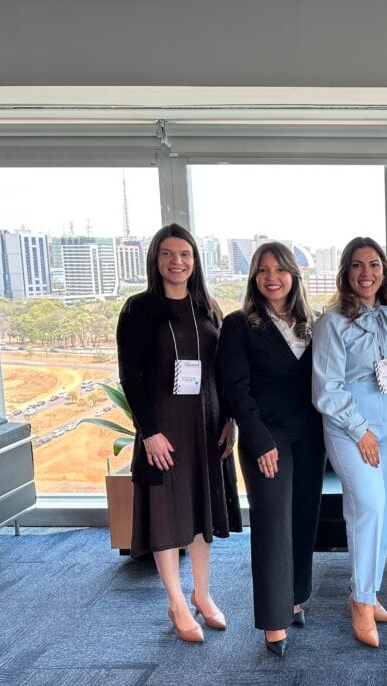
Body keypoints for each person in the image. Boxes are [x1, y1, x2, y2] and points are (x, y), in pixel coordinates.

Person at [116, 222, 241, 643]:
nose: (177, 262)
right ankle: (176, 602)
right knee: (167, 514)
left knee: (201, 513)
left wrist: (230, 419)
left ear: (195, 260)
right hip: (163, 428)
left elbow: (222, 371)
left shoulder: (208, 306)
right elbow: (130, 377)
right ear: (155, 259)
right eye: (168, 254)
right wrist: (148, 432)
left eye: (185, 254)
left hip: (207, 424)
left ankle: (201, 593)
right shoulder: (138, 310)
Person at [217, 242, 324, 658]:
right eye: (263, 270)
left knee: (303, 517)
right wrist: (259, 440)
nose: (272, 278)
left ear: (294, 275)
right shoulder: (239, 324)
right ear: (253, 278)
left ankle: (295, 597)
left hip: (310, 434)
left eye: (280, 270)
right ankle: (274, 620)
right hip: (267, 436)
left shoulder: (311, 323)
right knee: (273, 523)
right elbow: (236, 388)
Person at [312, 236, 387, 648]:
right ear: (345, 272)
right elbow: (326, 389)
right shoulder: (332, 322)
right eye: (357, 265)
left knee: (384, 509)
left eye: (374, 265)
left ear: (384, 271)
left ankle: (368, 589)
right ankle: (360, 602)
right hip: (350, 424)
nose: (366, 273)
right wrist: (360, 430)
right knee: (367, 505)